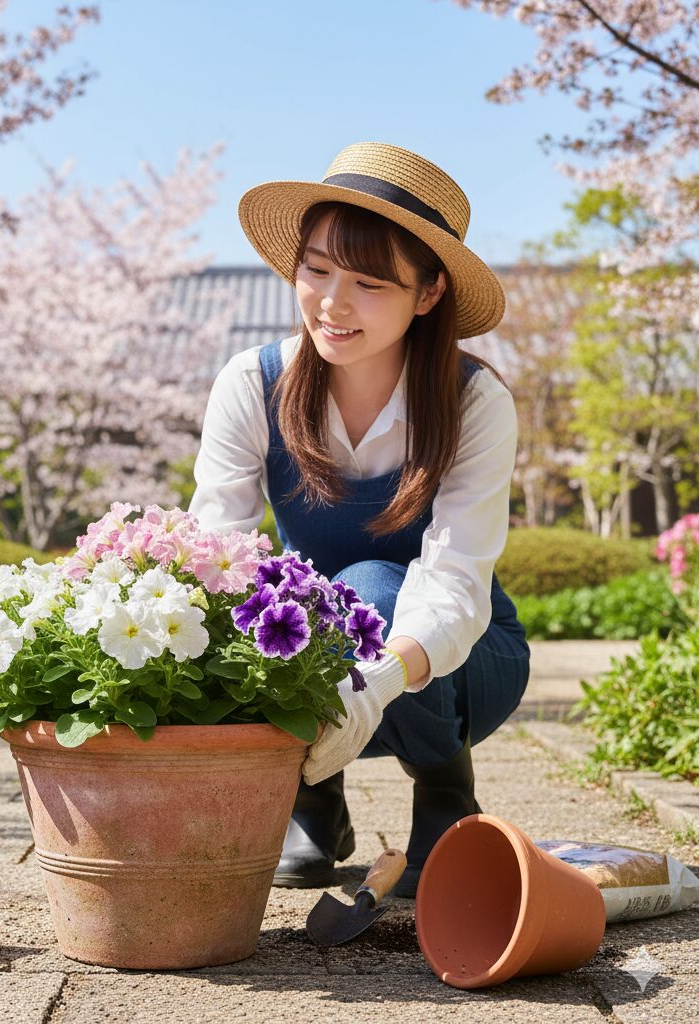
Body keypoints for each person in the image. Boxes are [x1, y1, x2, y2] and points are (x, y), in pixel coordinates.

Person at [188, 142, 530, 898]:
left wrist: (372, 681)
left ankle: (446, 789)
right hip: (312, 651)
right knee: (284, 600)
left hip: (467, 660)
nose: (331, 304)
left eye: (369, 283)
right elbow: (220, 556)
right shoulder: (252, 385)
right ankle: (312, 795)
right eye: (316, 270)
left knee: (370, 586)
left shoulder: (474, 403)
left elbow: (455, 582)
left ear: (429, 293)